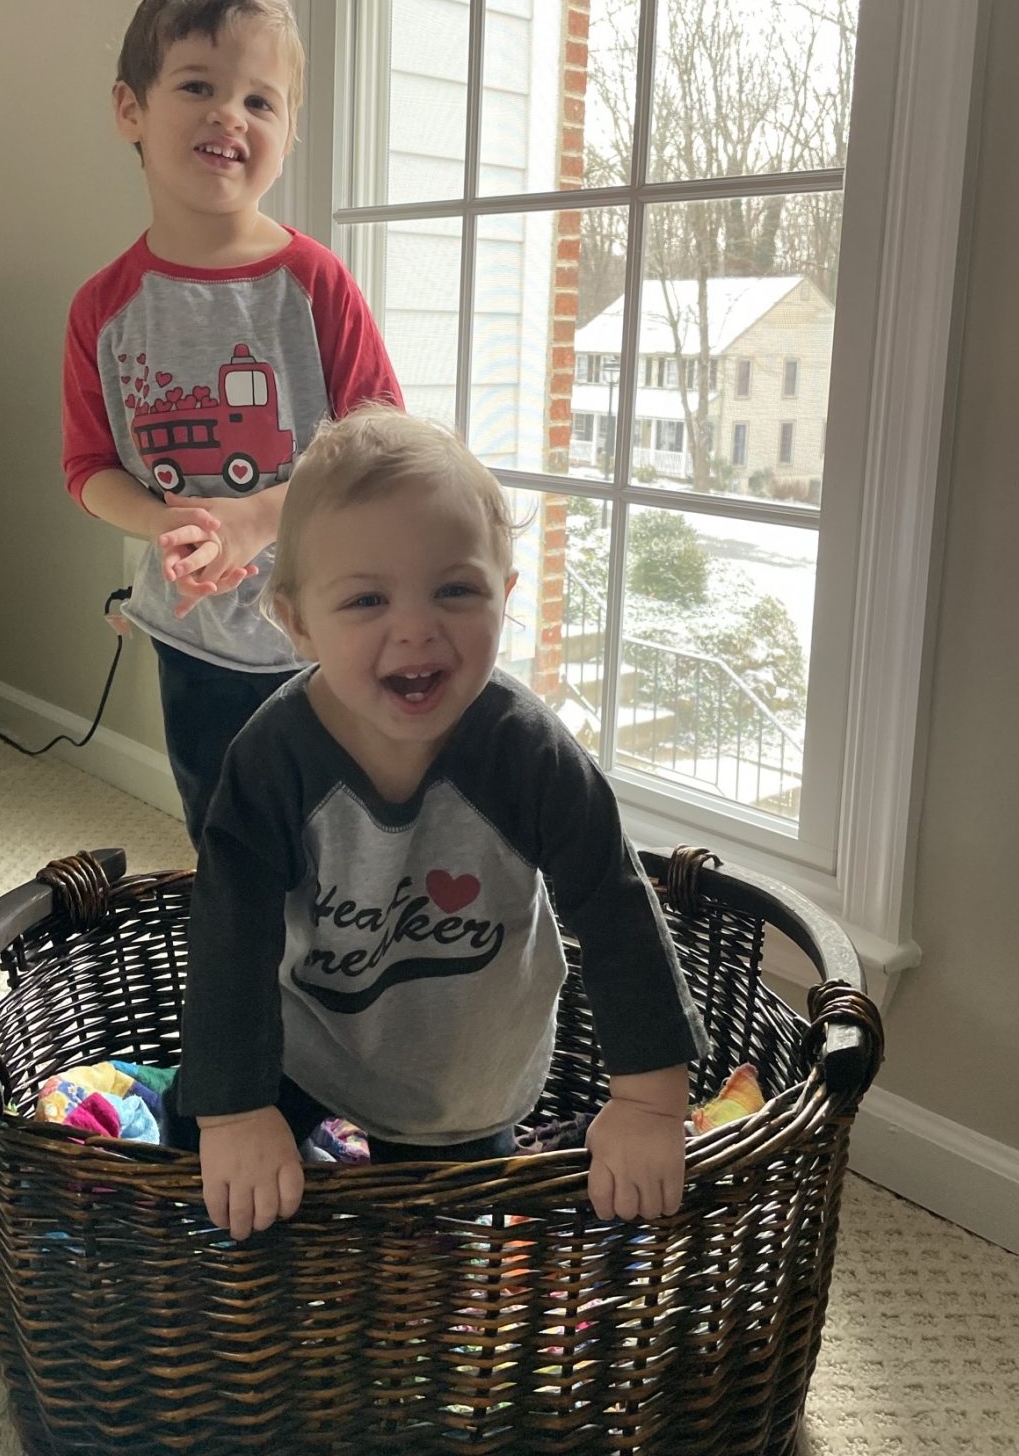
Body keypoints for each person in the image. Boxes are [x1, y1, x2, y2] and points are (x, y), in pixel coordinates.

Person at [169, 409, 708, 1242]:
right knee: (199, 1159)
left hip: (462, 1073)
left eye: (456, 590)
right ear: (297, 621)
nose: (417, 628)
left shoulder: (529, 752)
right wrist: (234, 1111)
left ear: (506, 595)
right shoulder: (272, 758)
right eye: (367, 599)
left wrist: (647, 1103)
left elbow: (615, 906)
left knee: (442, 1255)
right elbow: (229, 930)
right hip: (306, 1040)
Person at [62, 0, 402, 844]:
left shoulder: (315, 283)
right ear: (130, 109)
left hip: (329, 632)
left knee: (345, 835)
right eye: (198, 87)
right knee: (222, 830)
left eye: (260, 100)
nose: (229, 115)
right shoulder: (104, 307)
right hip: (193, 639)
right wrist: (163, 521)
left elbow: (380, 450)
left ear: (288, 136)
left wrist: (255, 518)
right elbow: (88, 469)